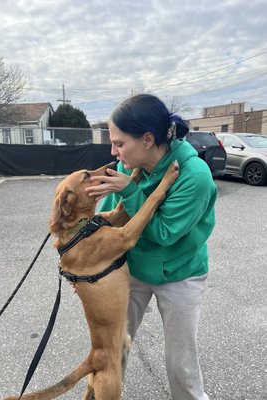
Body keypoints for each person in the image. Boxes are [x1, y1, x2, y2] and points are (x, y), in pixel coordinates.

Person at [85, 94, 217, 400]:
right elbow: (109, 223)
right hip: (133, 269)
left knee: (181, 362)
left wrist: (129, 189)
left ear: (147, 139)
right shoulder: (127, 164)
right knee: (111, 346)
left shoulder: (193, 175)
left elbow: (164, 233)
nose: (113, 151)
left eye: (119, 143)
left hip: (180, 272)